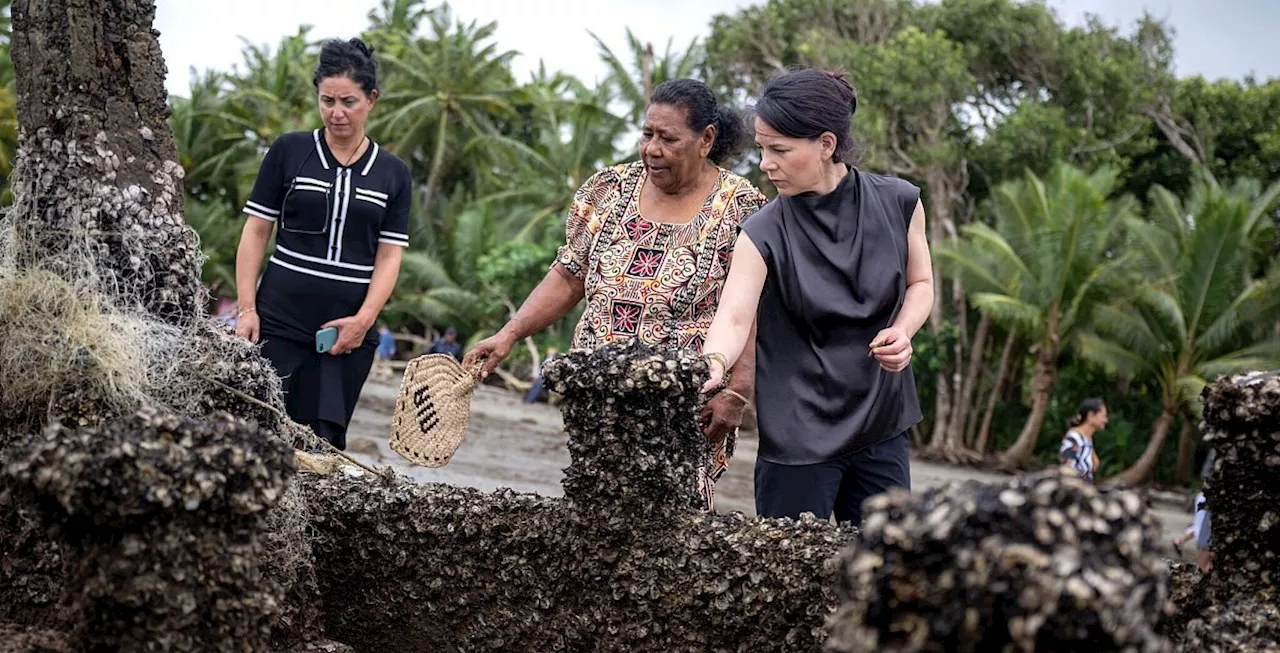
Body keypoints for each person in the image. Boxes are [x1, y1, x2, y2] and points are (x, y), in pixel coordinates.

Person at [463, 78, 769, 510]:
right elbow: (569, 276)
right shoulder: (608, 192)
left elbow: (750, 309)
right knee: (596, 514)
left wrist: (737, 390)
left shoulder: (740, 207)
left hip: (685, 403)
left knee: (675, 520)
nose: (652, 149)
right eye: (647, 134)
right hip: (598, 395)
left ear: (706, 139)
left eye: (668, 138)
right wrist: (509, 334)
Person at [698, 68, 935, 526]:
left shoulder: (901, 202)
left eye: (780, 150)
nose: (766, 163)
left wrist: (903, 331)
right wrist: (713, 364)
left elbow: (920, 285)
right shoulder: (762, 231)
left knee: (881, 574)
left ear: (826, 144)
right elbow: (732, 318)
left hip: (881, 424)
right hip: (797, 436)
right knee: (784, 583)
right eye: (763, 149)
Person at [234, 38, 411, 450]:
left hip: (346, 336)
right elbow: (257, 231)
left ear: (371, 100)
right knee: (258, 439)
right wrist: (246, 309)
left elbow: (389, 255)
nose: (336, 112)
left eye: (348, 101)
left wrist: (364, 321)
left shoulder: (393, 173)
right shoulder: (289, 151)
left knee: (321, 447)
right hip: (277, 321)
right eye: (326, 100)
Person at [1060, 398, 1108, 481]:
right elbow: (1067, 469)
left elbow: (1094, 465)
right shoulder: (1074, 438)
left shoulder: (1087, 439)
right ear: (1090, 416)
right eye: (1103, 416)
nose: (1105, 420)